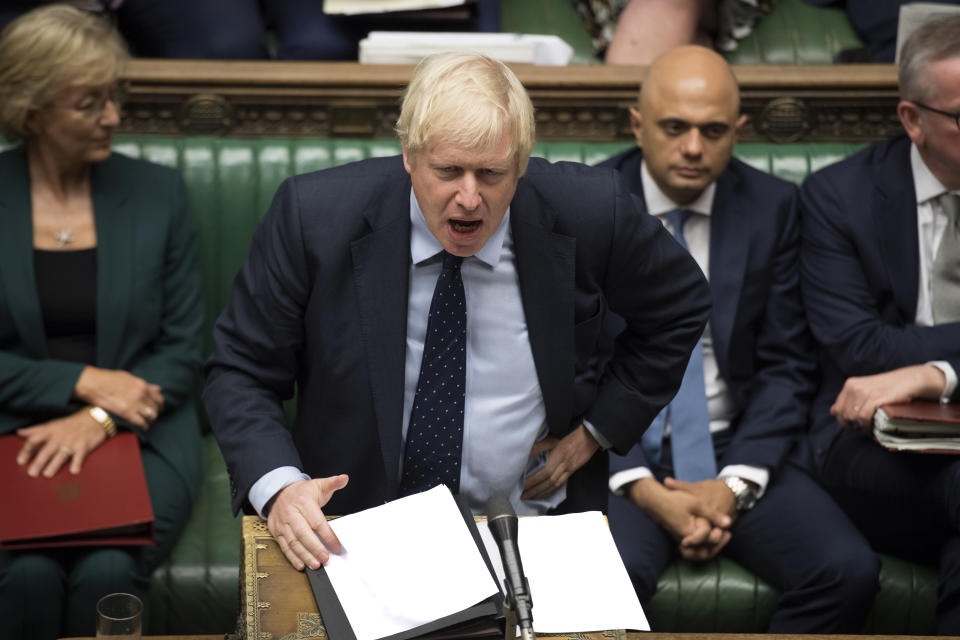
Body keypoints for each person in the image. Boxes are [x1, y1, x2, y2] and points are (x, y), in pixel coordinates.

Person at [203, 51, 711, 573]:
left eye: (491, 174)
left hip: (525, 527)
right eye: (448, 171)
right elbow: (240, 371)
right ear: (408, 154)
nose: (469, 198)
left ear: (521, 163)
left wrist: (600, 429)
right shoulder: (313, 219)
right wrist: (282, 489)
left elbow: (681, 306)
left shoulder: (589, 211)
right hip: (350, 533)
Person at [598, 45, 878, 632]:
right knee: (605, 576)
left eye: (713, 130)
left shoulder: (773, 208)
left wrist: (731, 486)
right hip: (616, 451)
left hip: (737, 445)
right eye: (675, 128)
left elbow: (787, 365)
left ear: (739, 131)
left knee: (844, 570)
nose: (694, 147)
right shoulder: (589, 204)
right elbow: (571, 368)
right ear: (637, 123)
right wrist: (644, 488)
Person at [0, 6, 204, 639]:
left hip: (142, 426)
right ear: (31, 111)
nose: (112, 116)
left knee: (109, 567)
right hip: (13, 429)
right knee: (23, 573)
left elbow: (182, 348)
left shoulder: (156, 194)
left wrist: (100, 416)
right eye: (88, 104)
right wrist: (85, 383)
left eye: (114, 97)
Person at [800, 15, 960, 634]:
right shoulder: (840, 199)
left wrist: (933, 372)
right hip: (870, 442)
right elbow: (859, 347)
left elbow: (895, 355)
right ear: (912, 120)